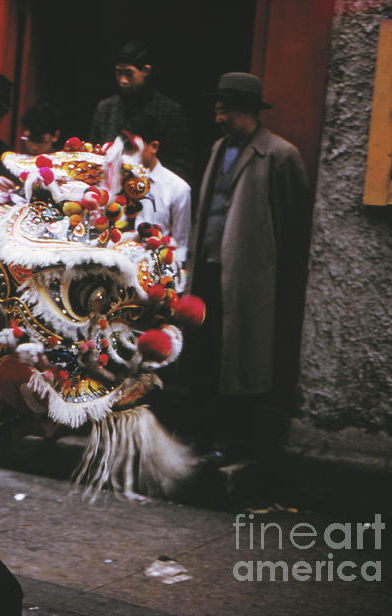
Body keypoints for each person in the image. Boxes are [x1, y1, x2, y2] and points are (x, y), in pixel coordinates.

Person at [185, 72, 311, 458]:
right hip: (207, 270)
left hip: (247, 277)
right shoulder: (217, 149)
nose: (218, 118)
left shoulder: (279, 155)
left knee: (239, 359)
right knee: (205, 352)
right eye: (217, 111)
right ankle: (202, 435)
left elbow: (295, 221)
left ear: (248, 112)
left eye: (225, 112)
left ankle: (234, 440)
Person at [88, 41, 193, 184]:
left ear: (145, 71)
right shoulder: (105, 108)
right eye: (119, 73)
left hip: (154, 191)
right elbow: (93, 154)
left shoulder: (169, 110)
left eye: (129, 73)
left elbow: (179, 165)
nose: (123, 80)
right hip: (108, 190)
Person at [131, 122, 192, 274]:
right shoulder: (117, 182)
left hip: (158, 270)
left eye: (134, 148)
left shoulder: (178, 188)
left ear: (153, 147)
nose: (127, 155)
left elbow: (180, 245)